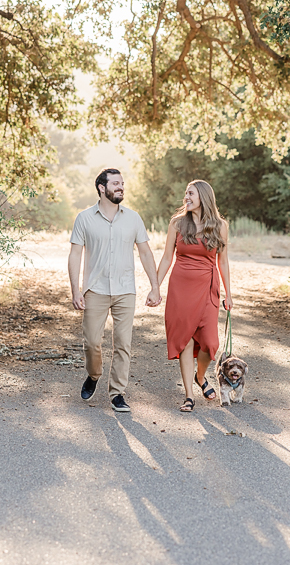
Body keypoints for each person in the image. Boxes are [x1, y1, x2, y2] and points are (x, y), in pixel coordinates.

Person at [68, 168, 162, 412]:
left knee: (123, 343)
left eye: (122, 183)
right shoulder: (84, 218)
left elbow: (144, 252)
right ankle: (94, 374)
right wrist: (76, 290)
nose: (121, 187)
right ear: (102, 187)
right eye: (116, 183)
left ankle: (117, 393)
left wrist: (155, 286)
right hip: (95, 289)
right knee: (91, 342)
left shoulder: (133, 218)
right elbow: (75, 254)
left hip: (124, 290)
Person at [156, 180, 232, 412]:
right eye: (186, 193)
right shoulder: (177, 223)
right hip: (181, 288)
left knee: (210, 344)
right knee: (186, 341)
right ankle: (189, 395)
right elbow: (167, 257)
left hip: (208, 287)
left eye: (190, 194)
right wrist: (155, 287)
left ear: (203, 197)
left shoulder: (220, 226)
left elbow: (223, 260)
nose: (186, 197)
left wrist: (229, 293)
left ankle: (201, 376)